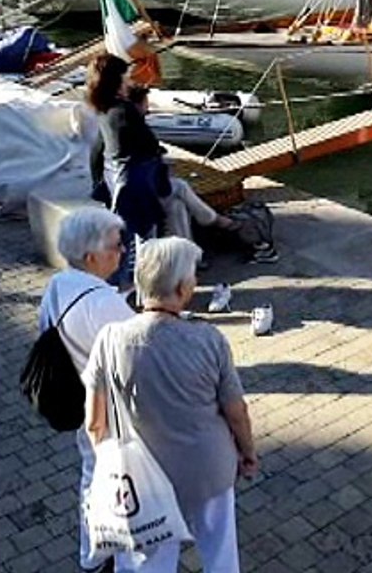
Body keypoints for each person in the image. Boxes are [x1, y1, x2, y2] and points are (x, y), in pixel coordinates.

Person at [84, 237, 257, 572]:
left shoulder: (110, 339)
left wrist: (111, 467)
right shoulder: (209, 340)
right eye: (192, 277)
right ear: (181, 289)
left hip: (145, 478)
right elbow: (237, 412)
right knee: (220, 551)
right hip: (210, 467)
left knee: (151, 561)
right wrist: (247, 452)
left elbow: (95, 422)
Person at [36, 208, 138, 572]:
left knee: (91, 476)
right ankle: (119, 559)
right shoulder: (104, 304)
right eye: (116, 245)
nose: (123, 251)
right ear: (92, 257)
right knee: (126, 485)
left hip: (81, 405)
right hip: (113, 413)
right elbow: (140, 361)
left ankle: (93, 555)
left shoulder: (59, 284)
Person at [84, 54, 247, 257]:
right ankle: (205, 235)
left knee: (177, 202)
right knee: (175, 193)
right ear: (116, 79)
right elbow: (151, 148)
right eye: (125, 76)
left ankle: (190, 257)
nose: (128, 80)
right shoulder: (125, 111)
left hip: (118, 185)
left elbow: (96, 152)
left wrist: (98, 188)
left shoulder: (103, 109)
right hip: (137, 189)